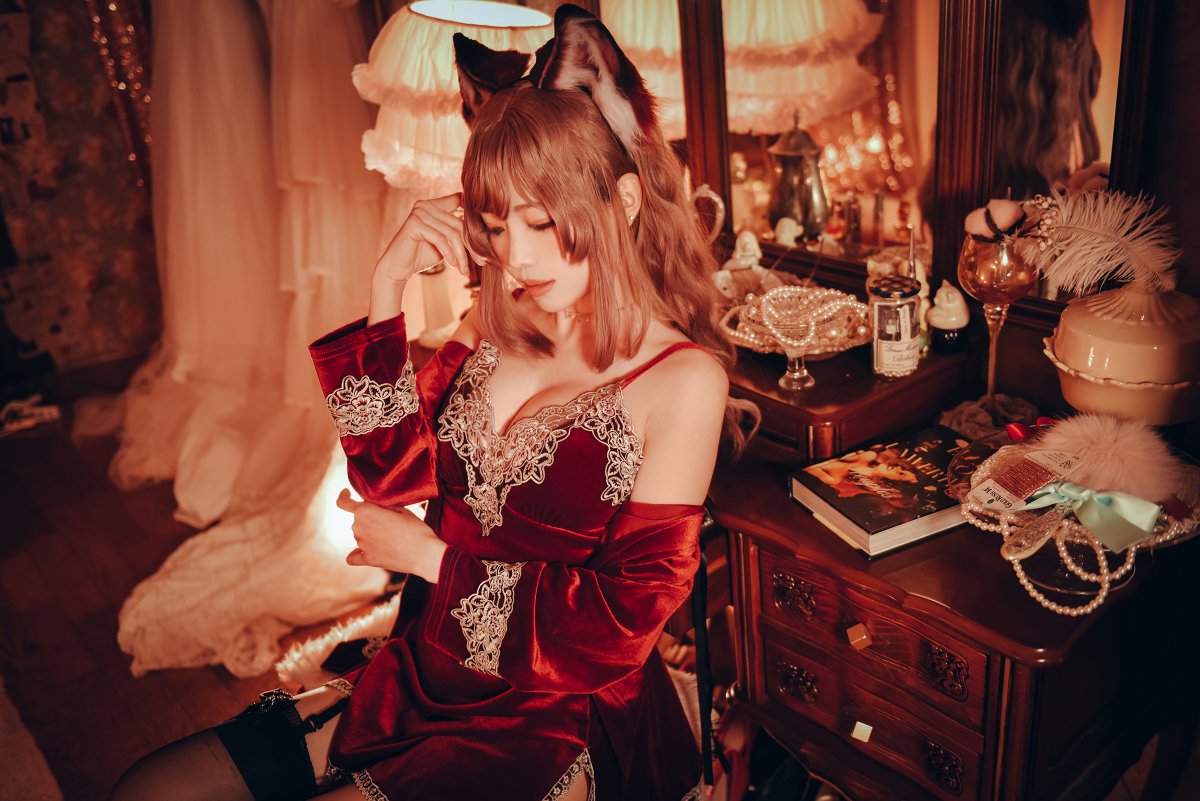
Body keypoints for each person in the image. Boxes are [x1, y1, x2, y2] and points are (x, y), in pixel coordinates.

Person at [111, 5, 753, 800]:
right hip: (422, 669)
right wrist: (386, 290)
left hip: (552, 717)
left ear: (621, 203)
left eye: (541, 222)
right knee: (149, 788)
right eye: (496, 225)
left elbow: (617, 627)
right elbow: (391, 477)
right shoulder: (496, 319)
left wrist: (429, 560)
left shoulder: (684, 381)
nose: (516, 257)